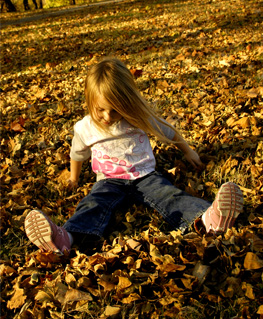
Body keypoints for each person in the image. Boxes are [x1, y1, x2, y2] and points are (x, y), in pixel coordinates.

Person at [24, 58, 243, 255]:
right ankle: (65, 238)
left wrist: (188, 151)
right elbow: (77, 154)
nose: (108, 117)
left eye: (115, 110)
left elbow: (169, 131)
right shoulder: (85, 128)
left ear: (127, 103)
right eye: (100, 110)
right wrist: (73, 178)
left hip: (145, 176)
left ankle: (208, 218)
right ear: (90, 101)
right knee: (92, 205)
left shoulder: (138, 117)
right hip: (109, 181)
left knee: (170, 196)